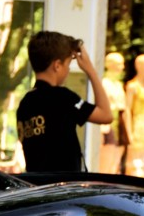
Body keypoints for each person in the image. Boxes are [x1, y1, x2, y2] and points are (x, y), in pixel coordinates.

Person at [15, 31, 113, 173]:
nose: (68, 70)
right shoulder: (63, 97)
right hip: (65, 188)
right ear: (57, 65)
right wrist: (91, 71)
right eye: (68, 64)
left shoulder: (25, 104)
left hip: (37, 187)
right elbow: (106, 115)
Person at [99, 51, 128, 173]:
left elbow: (123, 107)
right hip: (107, 125)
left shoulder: (118, 85)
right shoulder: (105, 83)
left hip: (117, 125)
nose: (122, 67)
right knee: (105, 161)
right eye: (119, 64)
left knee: (114, 161)